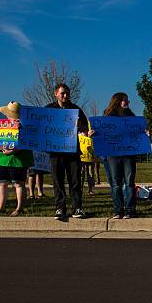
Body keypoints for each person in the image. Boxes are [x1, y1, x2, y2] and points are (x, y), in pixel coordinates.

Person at [46, 83, 91, 220]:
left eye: (67, 93)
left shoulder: (75, 109)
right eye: (62, 93)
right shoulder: (49, 109)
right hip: (55, 151)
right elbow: (40, 126)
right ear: (56, 94)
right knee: (58, 180)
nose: (65, 95)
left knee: (75, 180)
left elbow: (85, 127)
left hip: (72, 151)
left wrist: (81, 127)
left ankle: (77, 207)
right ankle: (60, 208)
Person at [0, 102, 34, 216]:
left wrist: (14, 150)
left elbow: (28, 142)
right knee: (1, 183)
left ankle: (19, 208)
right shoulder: (1, 126)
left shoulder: (26, 126)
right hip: (4, 159)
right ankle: (1, 207)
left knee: (18, 184)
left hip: (19, 160)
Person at [103, 92, 137, 219]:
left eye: (128, 101)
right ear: (117, 101)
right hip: (113, 154)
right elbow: (103, 133)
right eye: (125, 101)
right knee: (116, 183)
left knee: (129, 182)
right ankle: (118, 210)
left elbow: (137, 132)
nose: (128, 103)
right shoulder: (107, 116)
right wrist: (93, 133)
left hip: (128, 154)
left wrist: (144, 133)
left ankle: (130, 210)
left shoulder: (131, 116)